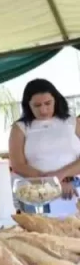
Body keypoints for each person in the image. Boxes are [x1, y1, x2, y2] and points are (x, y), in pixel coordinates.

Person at [8, 78, 80, 215]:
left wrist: (60, 175)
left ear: (56, 100)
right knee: (42, 232)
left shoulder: (72, 122)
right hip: (36, 191)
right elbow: (18, 164)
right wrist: (51, 183)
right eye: (37, 105)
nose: (43, 109)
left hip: (73, 187)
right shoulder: (20, 128)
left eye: (48, 103)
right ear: (28, 105)